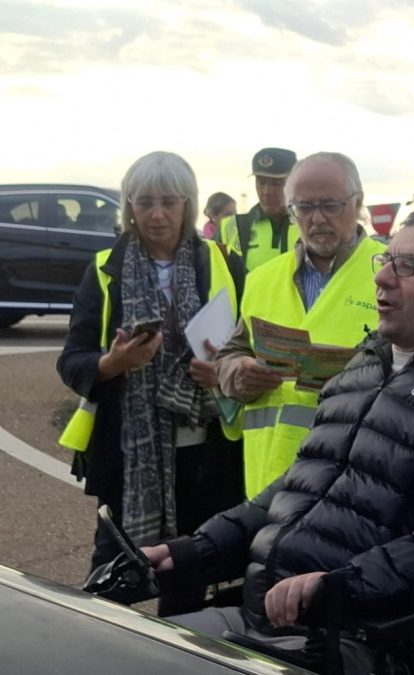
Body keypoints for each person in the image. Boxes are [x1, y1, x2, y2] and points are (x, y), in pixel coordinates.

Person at [143, 212, 414, 673]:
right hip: (264, 618)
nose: (381, 276)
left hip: (362, 639)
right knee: (116, 647)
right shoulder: (363, 368)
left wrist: (343, 586)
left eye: (408, 266)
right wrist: (194, 550)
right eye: (386, 259)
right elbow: (296, 489)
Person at [56, 151, 246, 616]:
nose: (157, 214)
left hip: (205, 452)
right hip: (127, 453)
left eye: (168, 201)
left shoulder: (225, 264)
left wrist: (222, 372)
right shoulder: (105, 269)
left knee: (187, 575)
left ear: (188, 204)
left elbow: (250, 351)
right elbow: (72, 360)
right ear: (129, 207)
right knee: (113, 576)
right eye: (144, 202)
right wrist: (113, 363)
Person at [214, 152, 385, 498]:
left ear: (358, 203)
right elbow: (231, 354)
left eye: (330, 205)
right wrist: (239, 373)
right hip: (268, 482)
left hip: (352, 483)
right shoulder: (262, 278)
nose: (317, 219)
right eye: (304, 208)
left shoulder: (390, 273)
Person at [219, 147, 300, 271]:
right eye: (261, 182)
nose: (267, 192)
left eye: (277, 183)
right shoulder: (230, 228)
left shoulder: (309, 227)